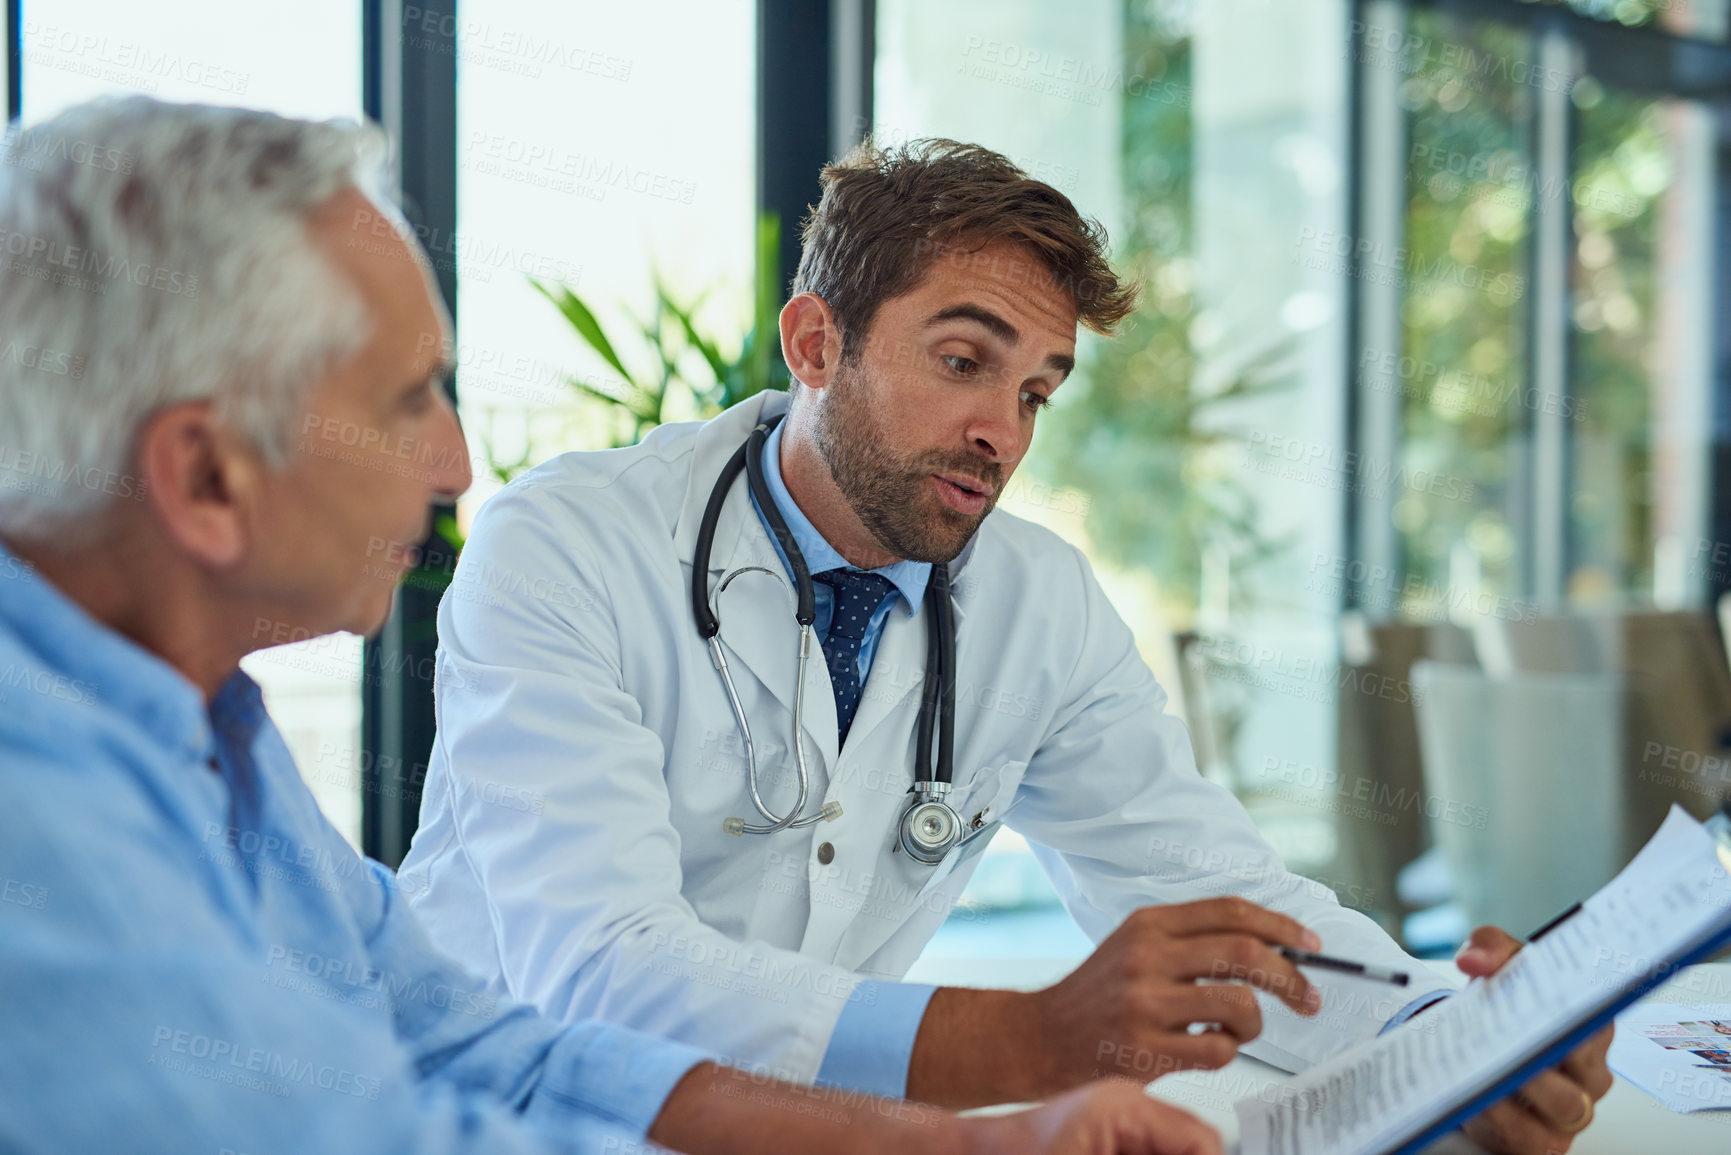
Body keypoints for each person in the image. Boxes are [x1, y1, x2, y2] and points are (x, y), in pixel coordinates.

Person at [0, 95, 1224, 1155]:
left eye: (1034, 394)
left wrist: (1002, 1145)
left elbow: (500, 1056)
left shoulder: (208, 731)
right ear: (208, 479)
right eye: (407, 397)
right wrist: (1016, 1058)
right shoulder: (36, 822)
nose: (455, 461)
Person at [401, 138, 1613, 1153]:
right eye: (963, 362)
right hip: (488, 1125)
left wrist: (1454, 1043)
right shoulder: (565, 543)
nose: (1000, 432)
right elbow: (601, 974)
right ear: (817, 343)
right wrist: (1033, 1039)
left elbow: (1209, 894)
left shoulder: (1039, 603)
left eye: (1036, 391)